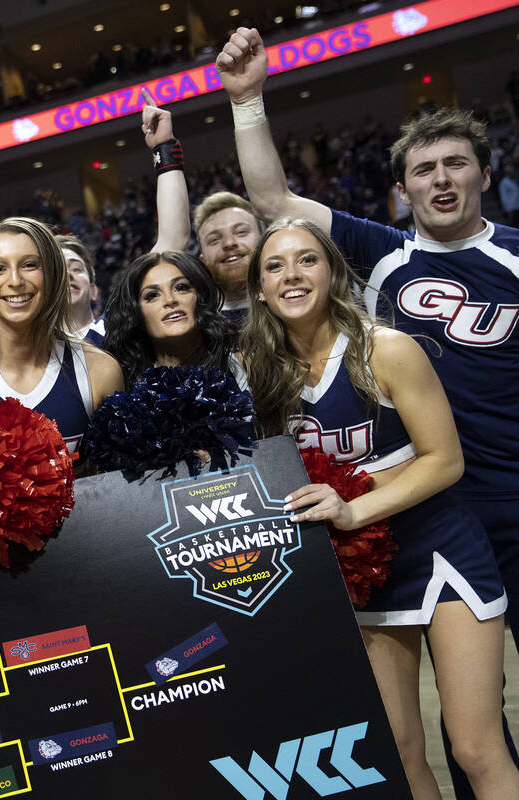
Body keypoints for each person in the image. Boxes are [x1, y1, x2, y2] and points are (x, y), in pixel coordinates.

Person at [218, 29, 519, 795]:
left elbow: (433, 457)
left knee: (480, 746)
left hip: (473, 499)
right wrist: (248, 101)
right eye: (424, 169)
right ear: (402, 190)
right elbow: (275, 204)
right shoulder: (384, 258)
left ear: (486, 174)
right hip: (411, 518)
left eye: (456, 164)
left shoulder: (501, 264)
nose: (441, 180)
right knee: (417, 747)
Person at [241, 219, 518, 800]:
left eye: (307, 260)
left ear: (334, 271)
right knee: (398, 749)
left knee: (474, 746)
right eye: (274, 266)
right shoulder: (259, 374)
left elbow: (444, 461)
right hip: (362, 570)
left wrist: (352, 508)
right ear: (259, 287)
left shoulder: (384, 347)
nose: (292, 275)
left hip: (439, 550)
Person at [0, 217, 123, 454]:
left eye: (30, 265)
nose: (16, 281)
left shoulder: (100, 370)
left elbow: (115, 484)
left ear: (52, 275)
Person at [101, 251, 238, 380]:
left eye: (181, 288)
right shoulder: (121, 384)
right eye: (152, 295)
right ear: (137, 315)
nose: (170, 300)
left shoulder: (244, 364)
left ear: (202, 297)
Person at [192, 191, 262, 322]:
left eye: (241, 232)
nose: (229, 243)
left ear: (264, 243)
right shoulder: (196, 323)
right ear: (203, 261)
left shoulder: (293, 304)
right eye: (214, 240)